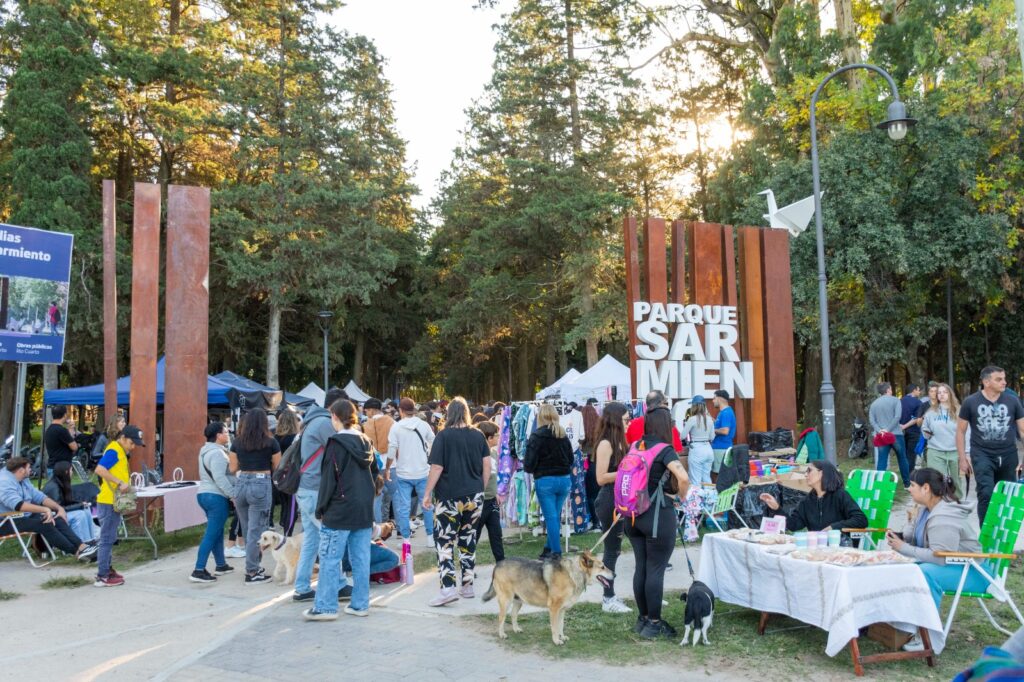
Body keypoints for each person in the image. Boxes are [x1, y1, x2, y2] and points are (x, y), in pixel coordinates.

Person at [887, 467, 983, 652]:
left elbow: (941, 557)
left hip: (972, 572)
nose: (908, 488)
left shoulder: (944, 515)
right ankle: (901, 626)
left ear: (926, 488)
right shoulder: (926, 509)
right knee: (898, 566)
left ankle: (928, 637)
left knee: (923, 573)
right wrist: (909, 524)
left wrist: (904, 548)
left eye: (912, 485)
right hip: (955, 567)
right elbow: (913, 538)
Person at [303, 399, 379, 621]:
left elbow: (328, 480)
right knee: (361, 559)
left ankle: (325, 607)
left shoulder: (335, 444)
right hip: (363, 509)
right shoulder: (366, 441)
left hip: (339, 509)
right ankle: (360, 604)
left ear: (334, 417)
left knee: (329, 559)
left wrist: (321, 508)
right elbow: (376, 473)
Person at [625, 407, 689, 639]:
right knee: (656, 569)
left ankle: (642, 619)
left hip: (633, 516)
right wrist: (681, 497)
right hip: (656, 515)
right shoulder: (665, 450)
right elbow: (683, 477)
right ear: (666, 426)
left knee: (641, 566)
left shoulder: (635, 446)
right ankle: (654, 623)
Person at [422, 397, 491, 607]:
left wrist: (427, 494)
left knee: (444, 542)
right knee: (468, 539)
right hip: (475, 495)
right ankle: (467, 585)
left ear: (449, 414)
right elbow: (487, 466)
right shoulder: (478, 435)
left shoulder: (443, 436)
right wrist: (480, 487)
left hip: (449, 497)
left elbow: (436, 468)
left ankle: (448, 588)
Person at [293, 387, 348, 602]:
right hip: (316, 489)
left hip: (306, 488)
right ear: (336, 406)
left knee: (312, 541)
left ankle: (302, 587)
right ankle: (340, 584)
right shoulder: (325, 423)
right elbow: (343, 448)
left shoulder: (310, 421)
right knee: (331, 535)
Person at [957, 366, 1024, 524]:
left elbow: (1022, 430)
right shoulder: (970, 402)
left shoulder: (1012, 400)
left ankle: (1002, 535)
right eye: (999, 379)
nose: (1004, 382)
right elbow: (960, 431)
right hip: (982, 454)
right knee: (986, 493)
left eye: (1004, 378)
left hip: (1008, 454)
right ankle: (987, 537)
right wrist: (962, 458)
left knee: (1008, 495)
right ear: (986, 382)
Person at [0, 457, 98, 561]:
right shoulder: (4, 482)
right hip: (5, 521)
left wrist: (59, 508)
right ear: (21, 470)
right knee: (45, 523)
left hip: (22, 516)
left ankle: (83, 547)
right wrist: (45, 510)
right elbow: (18, 505)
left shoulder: (23, 479)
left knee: (57, 518)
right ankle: (77, 552)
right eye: (29, 467)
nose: (31, 470)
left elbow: (40, 497)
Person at [228, 408, 281, 585]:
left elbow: (232, 468)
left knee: (247, 527)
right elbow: (278, 466)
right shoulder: (271, 442)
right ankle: (252, 572)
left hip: (241, 483)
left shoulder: (237, 442)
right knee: (256, 532)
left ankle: (253, 568)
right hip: (260, 483)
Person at [592, 401, 632, 614]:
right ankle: (608, 599)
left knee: (621, 547)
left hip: (622, 499)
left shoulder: (621, 442)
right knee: (611, 550)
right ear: (616, 420)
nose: (628, 422)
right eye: (626, 419)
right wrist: (627, 472)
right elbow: (600, 478)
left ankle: (619, 594)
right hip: (609, 500)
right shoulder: (606, 444)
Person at [94, 425, 145, 586]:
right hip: (109, 501)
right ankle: (102, 575)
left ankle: (107, 569)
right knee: (107, 539)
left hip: (113, 501)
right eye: (131, 442)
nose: (133, 446)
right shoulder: (114, 450)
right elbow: (100, 469)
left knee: (109, 538)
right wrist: (119, 482)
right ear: (122, 438)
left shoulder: (120, 451)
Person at [524, 403, 574, 560]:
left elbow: (528, 464)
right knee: (554, 516)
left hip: (545, 481)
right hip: (564, 480)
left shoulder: (537, 436)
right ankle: (548, 548)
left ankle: (556, 553)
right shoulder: (562, 435)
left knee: (551, 517)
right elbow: (571, 459)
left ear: (540, 417)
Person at [759, 461, 867, 532]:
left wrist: (833, 527)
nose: (805, 474)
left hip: (841, 548)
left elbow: (861, 520)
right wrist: (777, 508)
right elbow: (793, 525)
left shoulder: (840, 495)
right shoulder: (807, 501)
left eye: (809, 470)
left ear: (822, 473)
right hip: (816, 549)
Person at [191, 422, 236, 583]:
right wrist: (233, 495)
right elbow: (220, 478)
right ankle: (198, 569)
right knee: (211, 534)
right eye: (226, 432)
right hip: (215, 496)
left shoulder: (205, 451)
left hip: (204, 494)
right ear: (218, 435)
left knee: (216, 532)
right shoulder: (217, 454)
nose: (228, 434)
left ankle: (221, 564)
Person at [387, 397, 436, 546]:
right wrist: (428, 457)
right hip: (423, 471)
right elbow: (433, 441)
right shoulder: (424, 425)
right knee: (426, 504)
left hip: (403, 473)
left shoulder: (396, 427)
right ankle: (430, 537)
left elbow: (391, 451)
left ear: (401, 411)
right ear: (413, 410)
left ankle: (406, 539)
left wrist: (388, 467)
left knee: (403, 507)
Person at [921, 383, 964, 499]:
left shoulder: (959, 411)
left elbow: (966, 431)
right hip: (935, 451)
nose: (941, 395)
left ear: (950, 394)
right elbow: (924, 429)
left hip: (955, 451)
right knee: (937, 480)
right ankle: (941, 504)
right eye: (939, 392)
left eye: (944, 392)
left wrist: (966, 453)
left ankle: (957, 502)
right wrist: (926, 432)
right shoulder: (930, 412)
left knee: (956, 480)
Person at [42, 461, 96, 542]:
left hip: (58, 513)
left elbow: (66, 502)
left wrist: (80, 504)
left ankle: (91, 540)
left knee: (86, 510)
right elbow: (58, 508)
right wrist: (79, 505)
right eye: (71, 470)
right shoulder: (54, 487)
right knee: (80, 515)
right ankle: (82, 543)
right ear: (66, 472)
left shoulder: (60, 482)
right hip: (51, 516)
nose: (72, 472)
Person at [474, 420, 504, 563]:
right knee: (474, 535)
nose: (499, 438)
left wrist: (496, 492)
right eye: (496, 435)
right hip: (480, 501)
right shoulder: (477, 454)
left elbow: (492, 476)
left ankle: (501, 563)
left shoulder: (493, 453)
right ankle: (468, 566)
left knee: (496, 533)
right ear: (489, 437)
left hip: (492, 500)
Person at [870, 382, 910, 487]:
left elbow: (872, 420)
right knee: (902, 458)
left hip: (881, 436)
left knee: (882, 459)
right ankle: (907, 483)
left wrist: (880, 430)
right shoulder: (896, 400)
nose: (891, 391)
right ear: (888, 390)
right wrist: (888, 429)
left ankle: (879, 485)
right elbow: (897, 417)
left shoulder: (874, 404)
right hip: (896, 434)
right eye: (891, 389)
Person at [363, 398, 397, 524]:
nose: (366, 413)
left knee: (377, 496)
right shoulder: (391, 422)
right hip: (391, 463)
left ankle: (378, 526)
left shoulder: (366, 425)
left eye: (367, 411)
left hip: (374, 464)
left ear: (371, 410)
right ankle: (400, 529)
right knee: (395, 496)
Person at [273, 409, 301, 535]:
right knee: (292, 506)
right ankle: (287, 534)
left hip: (277, 475)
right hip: (291, 476)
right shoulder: (294, 438)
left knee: (285, 504)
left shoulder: (275, 438)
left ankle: (284, 526)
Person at [677, 395, 715, 487]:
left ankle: (697, 501)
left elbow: (682, 436)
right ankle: (710, 500)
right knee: (706, 478)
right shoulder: (710, 419)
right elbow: (712, 437)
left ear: (694, 406)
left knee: (695, 481)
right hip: (709, 450)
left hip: (697, 450)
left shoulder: (692, 419)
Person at [44, 405, 79, 470]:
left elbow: (61, 444)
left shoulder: (49, 429)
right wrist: (71, 429)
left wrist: (69, 432)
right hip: (61, 469)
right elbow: (74, 447)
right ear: (65, 415)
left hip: (52, 466)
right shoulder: (62, 430)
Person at [711, 389, 736, 479]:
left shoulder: (726, 413)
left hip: (721, 448)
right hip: (722, 448)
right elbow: (720, 426)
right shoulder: (723, 413)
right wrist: (710, 419)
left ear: (719, 399)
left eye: (714, 398)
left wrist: (711, 430)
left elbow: (725, 431)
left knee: (718, 476)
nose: (712, 401)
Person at [900, 383, 925, 467]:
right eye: (918, 390)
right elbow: (916, 418)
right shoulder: (918, 402)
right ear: (914, 390)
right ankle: (910, 476)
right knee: (911, 455)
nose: (919, 392)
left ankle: (905, 475)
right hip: (913, 431)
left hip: (901, 432)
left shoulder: (900, 401)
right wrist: (905, 426)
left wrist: (901, 426)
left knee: (904, 455)